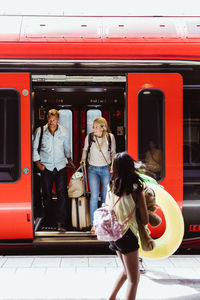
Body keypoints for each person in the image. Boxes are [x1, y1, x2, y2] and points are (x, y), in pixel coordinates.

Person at [106, 152, 149, 300]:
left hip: (114, 234)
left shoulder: (110, 186)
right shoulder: (136, 189)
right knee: (134, 279)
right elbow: (145, 220)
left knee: (126, 271)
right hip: (128, 235)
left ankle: (111, 298)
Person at [33, 109, 75, 232]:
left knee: (62, 194)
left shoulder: (63, 131)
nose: (52, 122)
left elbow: (66, 147)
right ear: (47, 119)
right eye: (50, 119)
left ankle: (60, 223)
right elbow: (34, 149)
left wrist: (69, 159)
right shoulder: (40, 131)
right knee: (47, 195)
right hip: (46, 167)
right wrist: (39, 165)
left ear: (58, 119)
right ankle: (50, 220)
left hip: (61, 165)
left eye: (54, 119)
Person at [80, 117, 116, 232]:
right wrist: (83, 159)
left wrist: (113, 166)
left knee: (105, 198)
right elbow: (85, 149)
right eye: (93, 126)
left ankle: (104, 224)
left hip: (105, 169)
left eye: (96, 127)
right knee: (94, 197)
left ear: (103, 128)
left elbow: (113, 153)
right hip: (93, 169)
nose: (93, 128)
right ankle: (94, 224)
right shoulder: (90, 137)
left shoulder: (110, 137)